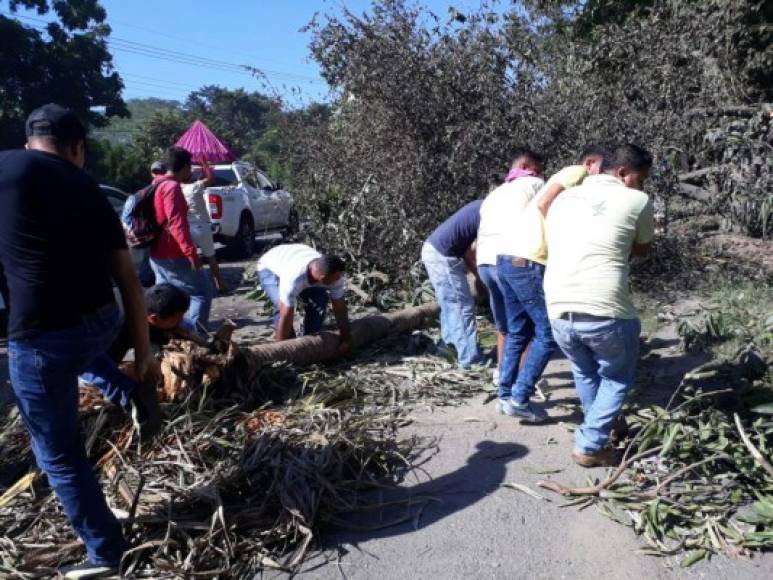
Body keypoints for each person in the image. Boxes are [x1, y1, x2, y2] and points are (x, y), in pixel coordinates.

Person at [0, 103, 159, 577]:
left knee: (60, 454)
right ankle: (129, 392)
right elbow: (130, 279)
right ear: (77, 148)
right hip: (101, 321)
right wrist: (144, 354)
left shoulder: (5, 169)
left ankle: (106, 552)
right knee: (84, 353)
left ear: (30, 140)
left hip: (42, 336)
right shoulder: (87, 187)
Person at [544, 143, 655, 467]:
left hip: (559, 308)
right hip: (605, 308)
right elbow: (642, 247)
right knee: (618, 377)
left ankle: (607, 426)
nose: (642, 185)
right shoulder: (637, 199)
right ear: (622, 173)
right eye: (640, 178)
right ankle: (589, 445)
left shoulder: (563, 198)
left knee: (585, 370)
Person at [494, 144, 611, 424]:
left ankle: (505, 395)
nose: (603, 176)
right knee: (547, 333)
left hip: (508, 258)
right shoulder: (576, 172)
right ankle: (520, 398)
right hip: (528, 260)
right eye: (602, 169)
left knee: (518, 331)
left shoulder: (574, 182)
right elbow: (545, 203)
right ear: (591, 162)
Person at [79, 284, 195, 435]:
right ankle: (132, 402)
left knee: (188, 326)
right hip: (86, 341)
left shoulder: (146, 297)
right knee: (94, 376)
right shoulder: (113, 328)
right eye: (177, 319)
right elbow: (94, 363)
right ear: (153, 319)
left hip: (140, 326)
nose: (180, 322)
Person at [476, 148, 545, 382]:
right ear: (526, 168)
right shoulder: (533, 185)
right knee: (525, 325)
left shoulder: (494, 195)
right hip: (511, 261)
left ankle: (501, 373)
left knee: (503, 324)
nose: (540, 176)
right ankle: (521, 379)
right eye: (537, 171)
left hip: (485, 263)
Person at [149, 146, 215, 334]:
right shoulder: (172, 187)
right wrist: (191, 253)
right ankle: (195, 340)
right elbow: (176, 223)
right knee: (202, 293)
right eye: (190, 167)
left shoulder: (156, 183)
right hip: (173, 252)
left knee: (166, 300)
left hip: (156, 253)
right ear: (185, 167)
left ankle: (168, 339)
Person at [421, 200, 487, 369]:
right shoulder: (487, 212)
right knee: (461, 306)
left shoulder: (480, 206)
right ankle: (470, 360)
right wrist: (480, 276)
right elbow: (473, 251)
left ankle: (449, 350)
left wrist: (477, 274)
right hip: (443, 256)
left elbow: (467, 249)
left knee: (450, 304)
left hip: (434, 251)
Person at [257, 243, 352, 352]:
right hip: (270, 267)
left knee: (319, 302)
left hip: (299, 256)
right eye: (334, 280)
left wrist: (346, 339)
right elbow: (286, 315)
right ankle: (285, 345)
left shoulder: (334, 276)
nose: (337, 281)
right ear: (323, 278)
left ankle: (310, 340)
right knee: (280, 307)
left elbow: (340, 309)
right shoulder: (293, 279)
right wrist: (280, 352)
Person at [121, 160, 168, 288]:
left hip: (134, 235)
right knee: (146, 272)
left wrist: (130, 232)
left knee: (141, 269)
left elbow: (126, 216)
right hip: (147, 236)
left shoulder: (140, 193)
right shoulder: (161, 191)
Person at [182, 158, 226, 292]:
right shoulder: (196, 186)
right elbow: (210, 178)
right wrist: (205, 163)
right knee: (211, 257)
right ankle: (220, 284)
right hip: (202, 226)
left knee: (192, 258)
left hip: (188, 228)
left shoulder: (178, 189)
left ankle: (196, 286)